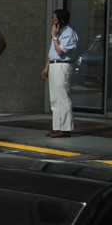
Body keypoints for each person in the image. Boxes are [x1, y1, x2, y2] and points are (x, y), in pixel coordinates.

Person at [42, 8, 77, 137]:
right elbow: (53, 53)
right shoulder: (57, 32)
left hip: (62, 66)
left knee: (62, 97)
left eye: (54, 19)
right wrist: (47, 66)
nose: (52, 21)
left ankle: (66, 128)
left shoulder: (68, 33)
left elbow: (60, 51)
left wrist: (55, 37)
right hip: (54, 65)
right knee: (54, 99)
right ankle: (56, 126)